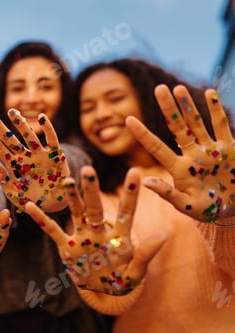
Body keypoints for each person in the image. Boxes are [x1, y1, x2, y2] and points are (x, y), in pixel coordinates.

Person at [24, 58, 235, 332]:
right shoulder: (92, 199)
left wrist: (228, 216)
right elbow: (109, 280)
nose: (100, 114)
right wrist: (110, 277)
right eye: (88, 108)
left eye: (115, 98)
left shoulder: (215, 177)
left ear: (147, 101)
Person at [0, 40, 111, 332]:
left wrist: (55, 188)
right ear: (1, 95)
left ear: (64, 94)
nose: (32, 98)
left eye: (45, 86)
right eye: (18, 87)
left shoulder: (79, 151)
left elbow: (73, 163)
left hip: (71, 321)